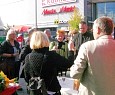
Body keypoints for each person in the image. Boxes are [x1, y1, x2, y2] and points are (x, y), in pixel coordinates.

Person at [70, 16, 115, 95]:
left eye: (93, 29)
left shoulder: (87, 46)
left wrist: (71, 52)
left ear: (98, 29)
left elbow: (75, 73)